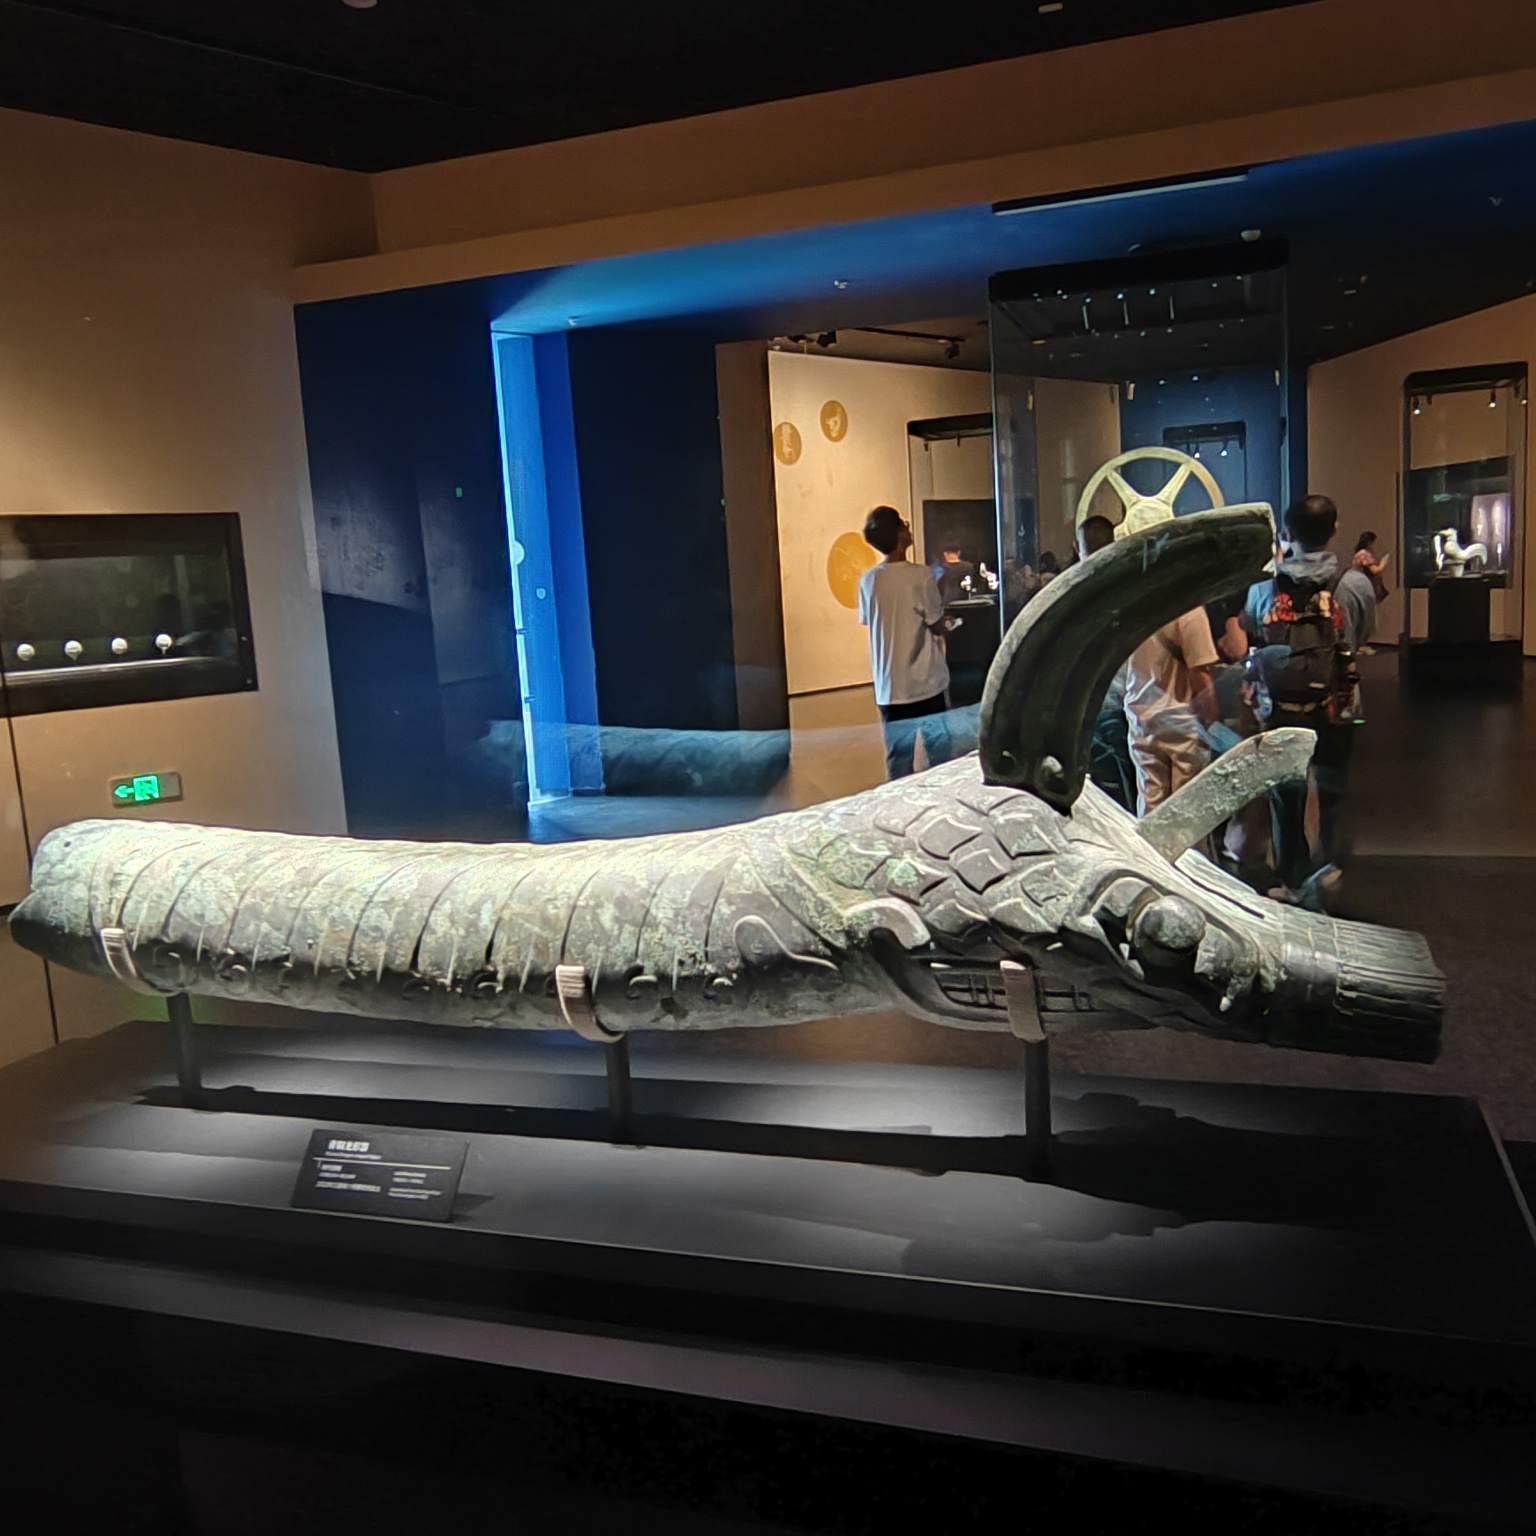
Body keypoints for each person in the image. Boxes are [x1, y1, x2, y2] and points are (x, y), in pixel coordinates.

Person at [1243, 494, 1376, 902]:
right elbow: (1362, 634)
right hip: (1338, 704)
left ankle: (1292, 875)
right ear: (1335, 529)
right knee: (1332, 785)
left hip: (1279, 708)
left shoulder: (1263, 589)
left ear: (1287, 532)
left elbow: (1253, 634)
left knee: (1286, 792)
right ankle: (1328, 861)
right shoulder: (1353, 584)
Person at [858, 505, 953, 779]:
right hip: (926, 684)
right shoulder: (921, 576)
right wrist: (947, 616)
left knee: (898, 764)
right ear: (899, 535)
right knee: (940, 759)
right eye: (903, 523)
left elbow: (871, 620)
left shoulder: (868, 580)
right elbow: (935, 624)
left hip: (889, 688)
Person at [1077, 516, 1136, 810]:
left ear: (1078, 547)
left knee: (1106, 797)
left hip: (1097, 708)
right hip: (1132, 701)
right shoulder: (1132, 586)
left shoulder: (1075, 592)